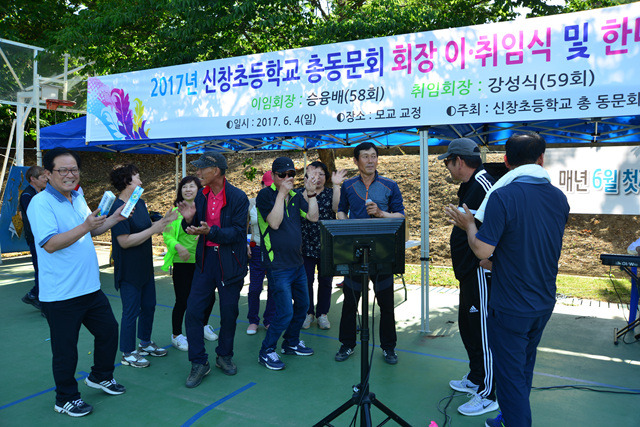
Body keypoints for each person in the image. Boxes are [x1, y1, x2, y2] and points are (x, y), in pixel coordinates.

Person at [445, 132, 570, 427]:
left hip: (512, 303)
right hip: (543, 300)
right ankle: (507, 418)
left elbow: (481, 249)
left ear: (506, 160)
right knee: (523, 368)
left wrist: (469, 225)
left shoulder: (503, 196)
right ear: (541, 159)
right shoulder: (558, 197)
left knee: (510, 376)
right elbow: (531, 243)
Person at [28, 147, 127, 417]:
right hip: (61, 294)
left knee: (108, 332)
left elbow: (91, 229)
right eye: (63, 170)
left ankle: (100, 376)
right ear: (48, 174)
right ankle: (66, 398)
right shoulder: (40, 203)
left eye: (73, 169)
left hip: (90, 289)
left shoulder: (77, 196)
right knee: (66, 351)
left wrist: (115, 218)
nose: (70, 175)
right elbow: (50, 244)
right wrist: (86, 225)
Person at [177, 152, 249, 387]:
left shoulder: (238, 197)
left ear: (216, 171)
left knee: (229, 313)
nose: (197, 172)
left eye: (202, 168)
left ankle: (224, 355)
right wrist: (188, 220)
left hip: (230, 262)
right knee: (193, 311)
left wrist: (211, 232)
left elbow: (238, 233)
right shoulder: (201, 196)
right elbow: (192, 225)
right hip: (206, 261)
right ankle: (199, 362)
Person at [439, 138, 498, 416]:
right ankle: (476, 377)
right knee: (468, 326)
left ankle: (489, 392)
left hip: (479, 272)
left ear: (459, 161)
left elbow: (501, 225)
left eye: (448, 163)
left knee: (483, 332)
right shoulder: (470, 186)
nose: (447, 168)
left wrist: (492, 258)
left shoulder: (486, 185)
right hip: (467, 273)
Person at [336, 142, 405, 365]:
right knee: (350, 302)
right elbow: (341, 210)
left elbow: (400, 215)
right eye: (365, 156)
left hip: (382, 252)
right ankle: (347, 344)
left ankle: (388, 347)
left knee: (386, 304)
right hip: (355, 252)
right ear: (356, 161)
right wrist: (343, 222)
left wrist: (382, 213)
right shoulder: (348, 185)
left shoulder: (389, 185)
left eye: (373, 156)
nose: (370, 160)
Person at [109, 164, 177, 368]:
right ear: (127, 181)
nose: (140, 181)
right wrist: (154, 229)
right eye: (137, 177)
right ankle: (128, 352)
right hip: (129, 270)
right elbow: (124, 241)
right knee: (131, 311)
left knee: (149, 306)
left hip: (145, 266)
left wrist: (164, 221)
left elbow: (146, 227)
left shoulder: (139, 202)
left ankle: (145, 343)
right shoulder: (118, 208)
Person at [256, 156, 319, 370]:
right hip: (278, 266)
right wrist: (281, 194)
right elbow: (274, 223)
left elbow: (313, 217)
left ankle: (291, 342)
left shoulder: (296, 196)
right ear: (274, 176)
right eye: (282, 175)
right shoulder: (265, 195)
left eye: (291, 174)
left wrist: (311, 194)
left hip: (297, 263)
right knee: (285, 313)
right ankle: (266, 351)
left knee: (303, 306)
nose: (287, 178)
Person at [162, 176, 218, 352]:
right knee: (183, 300)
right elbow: (167, 236)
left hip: (204, 260)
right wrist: (179, 247)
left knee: (210, 297)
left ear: (199, 189)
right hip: (183, 262)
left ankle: (203, 325)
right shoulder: (173, 212)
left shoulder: (206, 209)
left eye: (192, 186)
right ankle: (176, 335)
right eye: (184, 187)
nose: (188, 190)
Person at [298, 161, 347, 330]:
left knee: (326, 281)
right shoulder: (300, 193)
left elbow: (337, 208)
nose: (317, 178)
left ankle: (322, 314)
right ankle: (308, 313)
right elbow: (302, 206)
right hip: (305, 245)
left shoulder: (331, 192)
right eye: (313, 174)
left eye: (321, 174)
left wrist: (336, 185)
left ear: (326, 177)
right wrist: (308, 188)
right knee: (306, 281)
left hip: (327, 245)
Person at [246, 171, 276, 335]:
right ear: (262, 185)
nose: (269, 189)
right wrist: (246, 244)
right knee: (255, 288)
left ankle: (269, 319)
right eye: (267, 185)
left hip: (274, 250)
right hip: (256, 248)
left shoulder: (279, 202)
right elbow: (244, 227)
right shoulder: (251, 203)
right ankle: (253, 320)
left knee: (273, 287)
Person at [20, 165, 48, 312]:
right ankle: (42, 302)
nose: (46, 179)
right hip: (35, 238)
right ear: (33, 179)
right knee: (41, 269)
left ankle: (33, 294)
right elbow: (36, 216)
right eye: (43, 177)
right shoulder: (27, 195)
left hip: (43, 237)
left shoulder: (41, 193)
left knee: (44, 269)